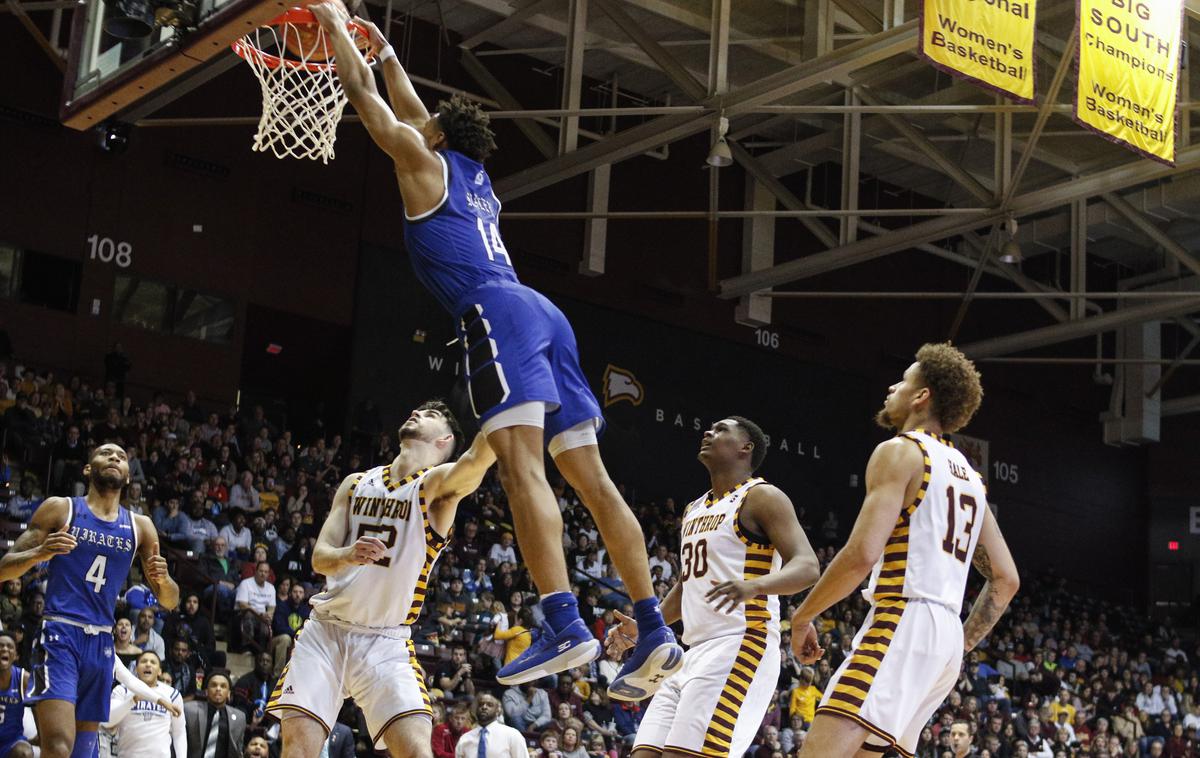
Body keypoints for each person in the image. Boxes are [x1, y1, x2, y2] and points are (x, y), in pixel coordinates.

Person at [310, 1, 680, 696]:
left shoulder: (422, 160)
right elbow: (412, 105)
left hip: (495, 313)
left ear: (437, 134)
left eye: (427, 126)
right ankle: (653, 628)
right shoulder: (477, 182)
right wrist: (387, 50)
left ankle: (563, 620)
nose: (418, 125)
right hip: (545, 314)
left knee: (521, 473)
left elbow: (368, 102)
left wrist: (336, 24)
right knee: (594, 484)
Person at [789, 344, 1020, 758]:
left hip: (902, 618)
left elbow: (861, 554)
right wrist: (957, 645)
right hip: (945, 640)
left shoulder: (901, 451)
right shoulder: (971, 478)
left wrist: (803, 615)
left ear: (921, 396)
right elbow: (1006, 578)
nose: (892, 386)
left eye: (903, 380)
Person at [266, 401, 495, 758]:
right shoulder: (356, 483)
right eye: (417, 409)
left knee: (418, 751)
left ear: (444, 440)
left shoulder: (434, 487)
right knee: (296, 748)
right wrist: (348, 554)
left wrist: (512, 406)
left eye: (430, 415)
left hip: (385, 641)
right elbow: (319, 558)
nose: (417, 412)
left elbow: (478, 459)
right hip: (326, 632)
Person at [605, 416, 820, 754]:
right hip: (691, 651)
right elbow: (687, 583)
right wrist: (649, 624)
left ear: (745, 448)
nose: (708, 432)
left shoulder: (762, 497)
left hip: (741, 643)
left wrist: (755, 586)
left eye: (721, 430)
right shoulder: (693, 509)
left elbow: (807, 566)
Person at [0, 442, 179, 758]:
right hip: (60, 635)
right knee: (57, 746)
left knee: (83, 753)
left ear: (128, 476)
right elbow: (3, 569)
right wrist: (40, 553)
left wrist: (163, 580)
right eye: (105, 453)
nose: (114, 458)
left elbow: (170, 600)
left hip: (101, 645)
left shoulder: (141, 526)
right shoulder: (61, 508)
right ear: (87, 468)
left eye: (122, 457)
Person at [104, 651, 187, 758]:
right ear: (135, 669)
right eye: (143, 661)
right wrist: (131, 701)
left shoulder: (173, 694)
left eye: (153, 662)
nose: (148, 664)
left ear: (159, 671)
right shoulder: (122, 690)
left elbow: (179, 732)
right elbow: (109, 721)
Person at [184, 672, 245, 758]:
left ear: (228, 693)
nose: (218, 689)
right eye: (214, 685)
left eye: (223, 686)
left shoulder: (239, 717)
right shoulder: (189, 710)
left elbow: (238, 750)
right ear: (206, 692)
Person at [456, 693, 529, 758]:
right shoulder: (465, 739)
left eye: (489, 705)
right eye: (481, 704)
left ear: (498, 711)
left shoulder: (512, 735)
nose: (484, 707)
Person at [0, 634, 33, 758]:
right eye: (0, 645)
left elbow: (38, 709)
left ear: (15, 656)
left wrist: (41, 738)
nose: (4, 649)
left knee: (24, 752)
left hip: (11, 742)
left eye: (9, 646)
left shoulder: (24, 679)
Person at [234, 562, 275, 654]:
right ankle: (246, 648)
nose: (263, 574)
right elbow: (243, 604)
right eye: (261, 571)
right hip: (244, 614)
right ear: (256, 571)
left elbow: (272, 607)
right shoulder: (246, 583)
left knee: (267, 622)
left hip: (261, 617)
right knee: (249, 614)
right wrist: (260, 614)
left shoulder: (271, 588)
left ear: (268, 574)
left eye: (265, 572)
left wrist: (269, 615)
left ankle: (261, 652)